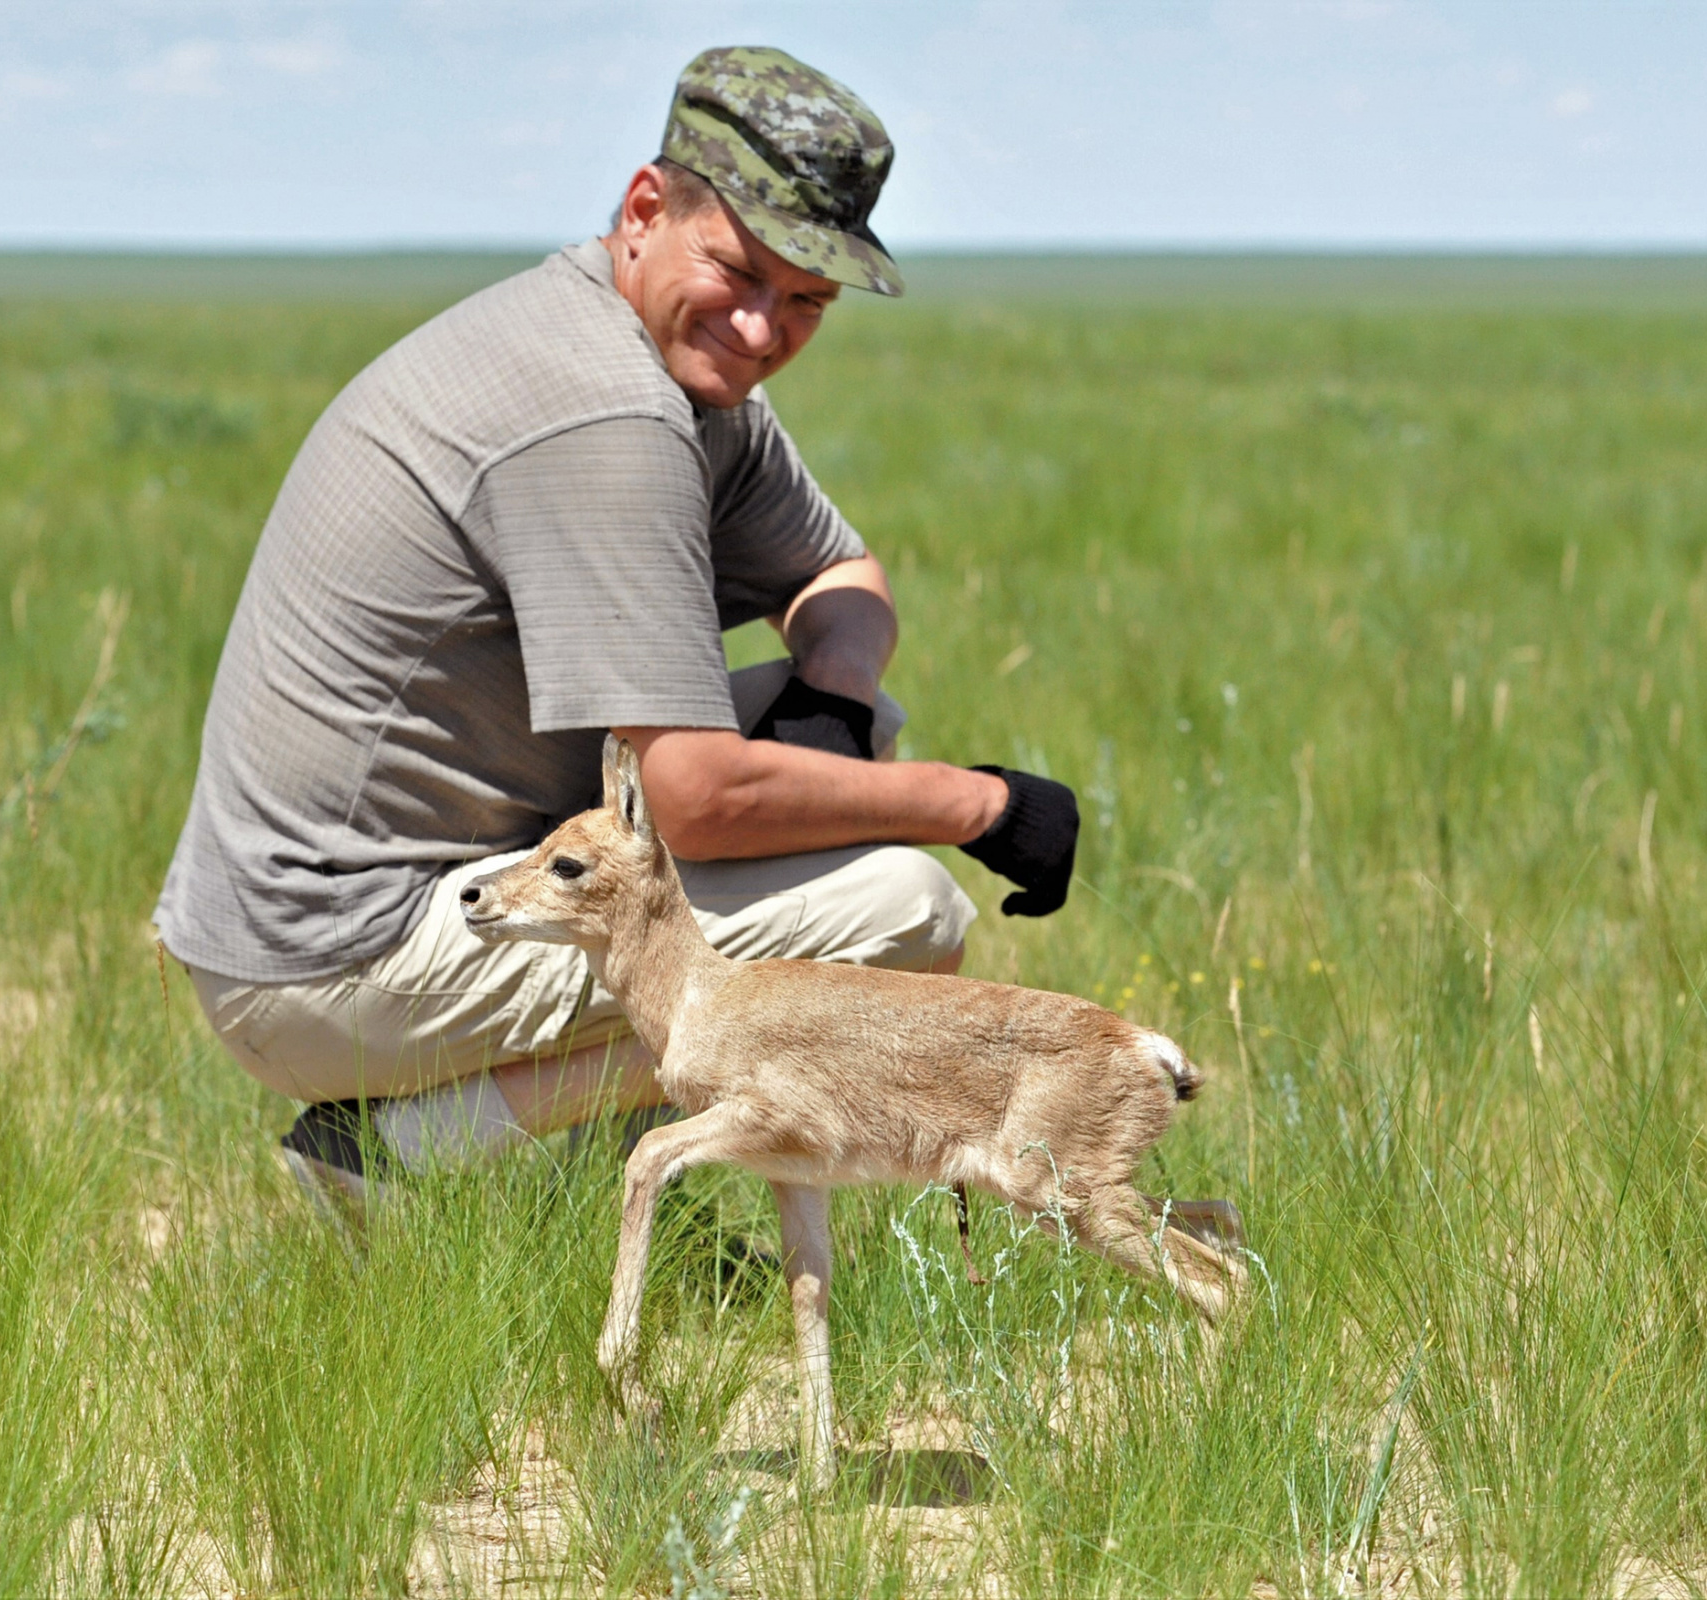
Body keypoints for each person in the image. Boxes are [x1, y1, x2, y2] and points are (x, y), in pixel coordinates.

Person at [153, 46, 1080, 1220]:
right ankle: (405, 1153)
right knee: (906, 907)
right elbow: (692, 798)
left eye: (806, 301)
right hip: (327, 960)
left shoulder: (666, 365)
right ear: (646, 208)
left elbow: (841, 573)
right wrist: (984, 805)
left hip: (349, 900)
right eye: (739, 271)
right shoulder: (606, 413)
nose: (760, 327)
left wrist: (833, 703)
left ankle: (632, 1208)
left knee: (851, 729)